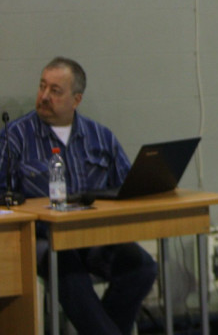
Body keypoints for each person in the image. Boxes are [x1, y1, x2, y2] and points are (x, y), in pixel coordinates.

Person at [0, 57, 157, 334]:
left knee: (142, 267)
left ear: (76, 99)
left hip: (95, 235)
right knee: (69, 272)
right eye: (42, 87)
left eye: (55, 91)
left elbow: (126, 187)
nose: (45, 96)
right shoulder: (15, 137)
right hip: (43, 238)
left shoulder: (100, 137)